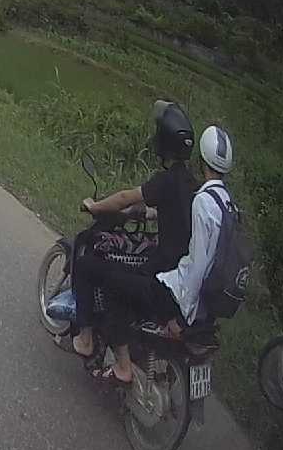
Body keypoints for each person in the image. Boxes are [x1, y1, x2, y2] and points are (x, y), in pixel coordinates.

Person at [84, 126, 235, 384]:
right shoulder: (225, 202)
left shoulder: (202, 201)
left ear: (201, 160)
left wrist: (180, 317)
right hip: (207, 304)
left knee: (113, 284)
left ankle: (122, 367)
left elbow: (198, 263)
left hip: (178, 295)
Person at [70, 100, 197, 361]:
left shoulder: (166, 180)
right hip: (180, 273)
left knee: (87, 267)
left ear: (162, 141)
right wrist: (145, 212)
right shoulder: (191, 184)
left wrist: (96, 207)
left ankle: (86, 340)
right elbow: (172, 212)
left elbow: (126, 197)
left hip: (162, 270)